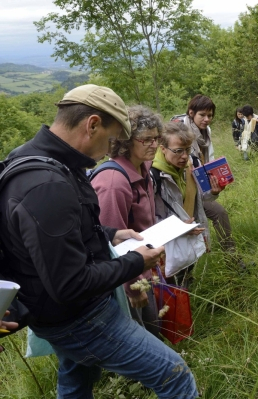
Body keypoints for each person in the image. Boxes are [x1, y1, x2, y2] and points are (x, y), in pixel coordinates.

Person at [0, 84, 198, 398]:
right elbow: (70, 284)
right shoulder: (46, 185)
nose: (110, 149)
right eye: (111, 138)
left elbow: (56, 232)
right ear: (92, 124)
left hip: (57, 315)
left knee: (77, 379)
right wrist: (137, 261)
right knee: (174, 375)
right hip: (80, 319)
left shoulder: (39, 158)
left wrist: (109, 234)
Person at [90, 105, 164, 338]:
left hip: (145, 267)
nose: (154, 144)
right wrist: (133, 287)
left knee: (155, 331)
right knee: (139, 340)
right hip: (126, 279)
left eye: (157, 138)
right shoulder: (114, 181)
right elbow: (113, 244)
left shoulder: (145, 169)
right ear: (126, 141)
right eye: (146, 139)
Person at [177, 94, 250, 270]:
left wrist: (214, 182)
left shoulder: (205, 133)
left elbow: (208, 159)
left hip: (197, 188)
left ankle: (233, 260)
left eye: (210, 115)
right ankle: (184, 275)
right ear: (191, 113)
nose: (207, 119)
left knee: (220, 213)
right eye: (202, 115)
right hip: (178, 192)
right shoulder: (179, 130)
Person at [152, 121, 219, 284]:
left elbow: (202, 198)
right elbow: (149, 217)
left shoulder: (194, 164)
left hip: (190, 233)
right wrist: (176, 228)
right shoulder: (153, 175)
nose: (184, 156)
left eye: (188, 149)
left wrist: (214, 192)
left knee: (188, 273)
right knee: (169, 283)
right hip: (166, 243)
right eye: (178, 151)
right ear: (163, 149)